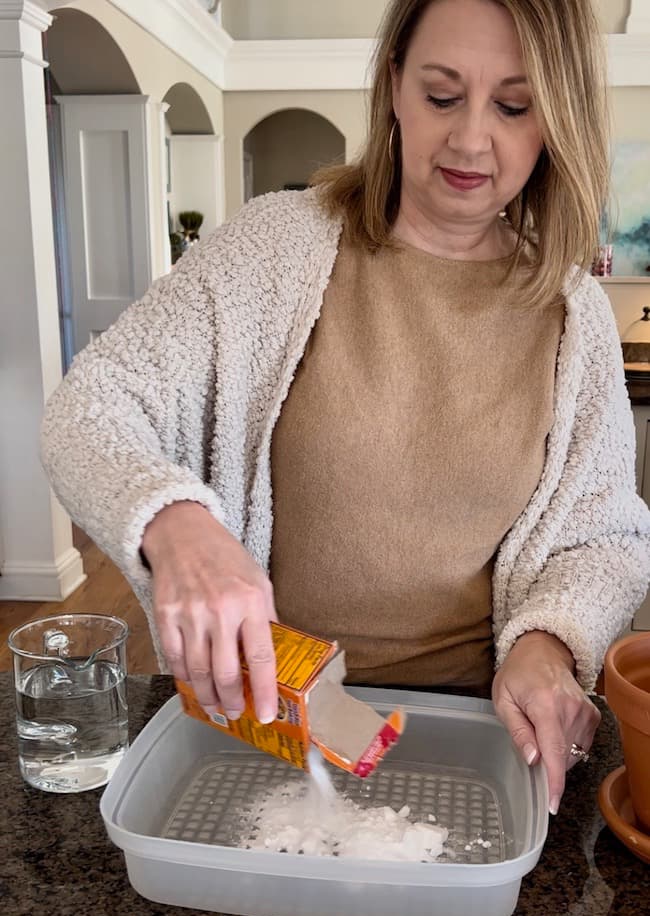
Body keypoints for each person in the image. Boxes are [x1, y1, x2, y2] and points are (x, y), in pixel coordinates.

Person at [42, 0, 650, 817]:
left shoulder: (572, 315)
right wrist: (178, 523)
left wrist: (545, 643)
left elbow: (603, 533)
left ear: (557, 117)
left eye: (514, 105)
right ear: (394, 83)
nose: (472, 139)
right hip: (267, 720)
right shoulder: (271, 251)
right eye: (441, 95)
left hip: (479, 737)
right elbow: (89, 406)